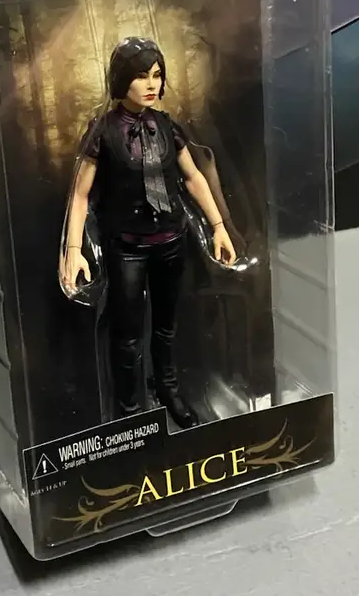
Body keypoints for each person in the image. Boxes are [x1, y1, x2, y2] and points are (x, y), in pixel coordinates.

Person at [59, 36, 237, 428]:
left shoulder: (166, 126)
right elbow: (80, 194)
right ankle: (130, 411)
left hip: (171, 241)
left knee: (166, 326)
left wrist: (218, 227)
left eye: (157, 75)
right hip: (127, 248)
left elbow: (193, 177)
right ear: (122, 79)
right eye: (141, 76)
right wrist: (73, 249)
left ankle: (167, 388)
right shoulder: (103, 132)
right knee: (127, 334)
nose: (151, 84)